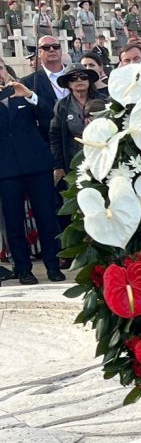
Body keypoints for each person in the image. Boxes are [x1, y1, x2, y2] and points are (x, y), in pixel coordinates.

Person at [0, 64, 64, 284]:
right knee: (13, 221)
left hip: (37, 165)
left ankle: (53, 265)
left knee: (46, 217)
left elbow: (49, 113)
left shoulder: (23, 92)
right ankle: (23, 268)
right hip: (6, 170)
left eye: (0, 68)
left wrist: (29, 95)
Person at [49, 67, 100, 179]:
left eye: (83, 77)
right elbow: (55, 137)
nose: (79, 80)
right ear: (68, 84)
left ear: (89, 80)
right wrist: (58, 166)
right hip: (75, 160)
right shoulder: (62, 106)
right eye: (73, 78)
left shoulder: (104, 101)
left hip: (101, 157)